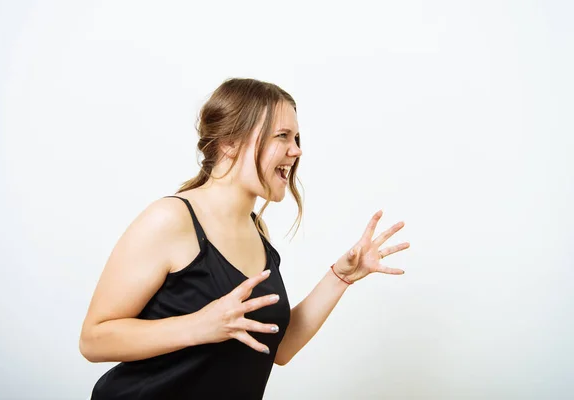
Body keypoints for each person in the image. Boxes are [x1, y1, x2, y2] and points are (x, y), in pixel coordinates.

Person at [79, 78, 410, 399]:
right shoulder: (171, 220)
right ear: (229, 142)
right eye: (283, 136)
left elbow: (278, 347)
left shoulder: (257, 231)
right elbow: (93, 340)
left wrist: (340, 277)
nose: (296, 150)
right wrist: (198, 326)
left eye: (297, 138)